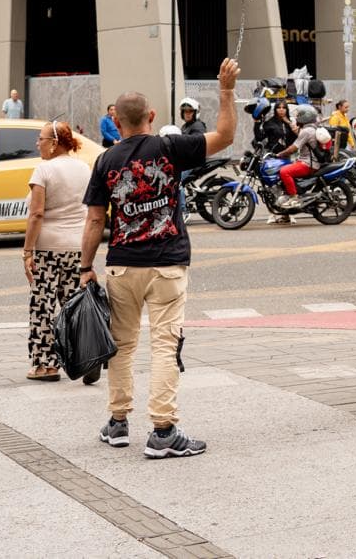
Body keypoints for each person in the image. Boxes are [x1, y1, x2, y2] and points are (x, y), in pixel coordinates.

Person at [80, 57, 240, 459]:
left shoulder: (105, 161)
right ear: (151, 116)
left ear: (116, 122)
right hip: (167, 263)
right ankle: (163, 430)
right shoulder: (169, 148)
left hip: (121, 264)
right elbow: (224, 136)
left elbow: (95, 220)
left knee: (121, 345)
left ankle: (117, 423)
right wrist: (225, 91)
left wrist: (85, 268)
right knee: (165, 346)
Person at [22, 121, 95, 383]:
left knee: (43, 306)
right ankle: (85, 358)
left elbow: (37, 213)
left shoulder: (44, 170)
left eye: (40, 139)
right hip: (77, 247)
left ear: (54, 143)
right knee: (72, 306)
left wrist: (27, 251)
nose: (37, 143)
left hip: (48, 249)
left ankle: (45, 366)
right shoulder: (84, 168)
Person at [273, 104, 325, 209]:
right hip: (306, 161)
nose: (296, 118)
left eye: (298, 115)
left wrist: (279, 154)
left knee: (284, 171)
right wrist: (288, 122)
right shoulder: (311, 128)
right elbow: (297, 133)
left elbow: (294, 148)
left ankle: (294, 197)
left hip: (308, 164)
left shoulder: (307, 131)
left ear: (304, 117)